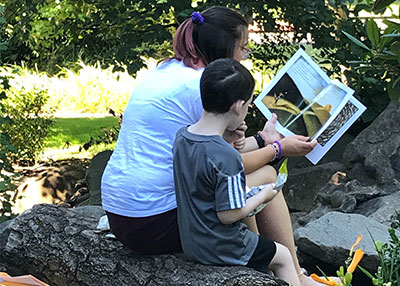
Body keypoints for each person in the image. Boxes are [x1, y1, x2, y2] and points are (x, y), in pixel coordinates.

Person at [101, 5, 317, 285]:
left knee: (257, 177)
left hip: (122, 215)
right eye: (244, 49)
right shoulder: (200, 87)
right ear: (227, 48)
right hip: (153, 221)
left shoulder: (168, 70)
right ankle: (293, 272)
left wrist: (264, 140)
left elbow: (215, 155)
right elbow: (230, 166)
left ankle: (271, 267)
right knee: (266, 178)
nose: (244, 57)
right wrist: (277, 150)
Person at [173, 58, 301, 286]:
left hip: (192, 242)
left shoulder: (183, 137)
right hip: (221, 245)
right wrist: (264, 195)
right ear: (238, 106)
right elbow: (229, 214)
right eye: (249, 105)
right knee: (282, 256)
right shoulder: (226, 157)